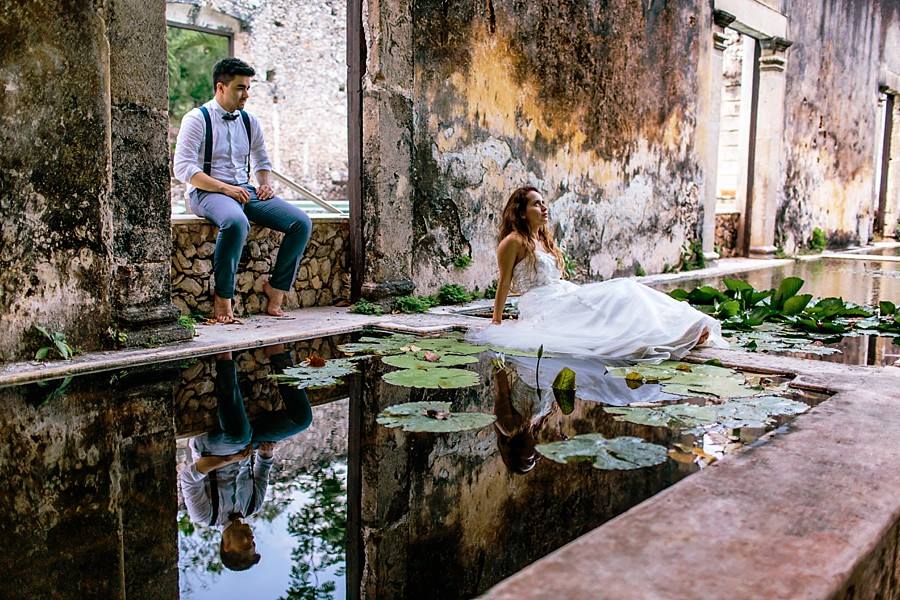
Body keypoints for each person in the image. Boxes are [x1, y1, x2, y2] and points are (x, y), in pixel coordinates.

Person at [467, 186, 728, 361]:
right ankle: (673, 336)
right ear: (521, 212)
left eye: (544, 203)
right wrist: (497, 322)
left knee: (624, 293)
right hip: (542, 303)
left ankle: (679, 329)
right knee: (621, 291)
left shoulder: (545, 240)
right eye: (536, 204)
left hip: (564, 294)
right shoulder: (512, 242)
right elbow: (504, 283)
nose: (544, 208)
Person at [173, 58, 312, 323]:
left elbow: (261, 160)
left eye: (248, 88)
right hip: (207, 192)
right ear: (220, 87)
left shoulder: (250, 122)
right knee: (236, 222)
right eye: (240, 88)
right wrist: (225, 188)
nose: (246, 94)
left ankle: (277, 288)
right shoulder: (197, 119)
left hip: (245, 191)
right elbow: (183, 169)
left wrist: (265, 184)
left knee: (301, 222)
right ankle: (223, 299)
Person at [178, 346, 313, 571]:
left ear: (228, 546)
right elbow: (262, 470)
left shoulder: (204, 516)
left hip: (212, 449)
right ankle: (278, 355)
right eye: (254, 544)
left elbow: (189, 476)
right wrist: (266, 453)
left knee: (239, 436)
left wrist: (227, 460)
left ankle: (224, 360)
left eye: (246, 546)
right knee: (302, 420)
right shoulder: (253, 505)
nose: (252, 540)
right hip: (248, 444)